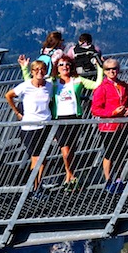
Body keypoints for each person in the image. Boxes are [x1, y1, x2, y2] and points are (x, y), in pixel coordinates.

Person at [51, 55, 102, 187]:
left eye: (67, 64)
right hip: (59, 119)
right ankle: (70, 175)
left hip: (75, 118)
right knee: (65, 150)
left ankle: (70, 176)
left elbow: (97, 85)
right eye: (61, 65)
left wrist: (99, 68)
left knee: (72, 149)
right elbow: (35, 83)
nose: (64, 67)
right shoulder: (52, 82)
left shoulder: (77, 80)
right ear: (57, 67)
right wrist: (25, 69)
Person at [5, 57, 54, 191]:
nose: (40, 72)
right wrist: (17, 112)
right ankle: (35, 186)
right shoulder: (26, 86)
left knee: (43, 158)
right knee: (36, 158)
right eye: (36, 70)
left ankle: (38, 184)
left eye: (42, 69)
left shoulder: (49, 85)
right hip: (30, 127)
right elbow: (8, 95)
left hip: (46, 125)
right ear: (32, 71)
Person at [90, 58, 128, 191]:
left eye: (114, 68)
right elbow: (95, 109)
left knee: (120, 152)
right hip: (108, 127)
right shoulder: (101, 88)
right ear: (104, 71)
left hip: (122, 125)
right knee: (109, 153)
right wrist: (112, 113)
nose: (111, 71)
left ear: (118, 70)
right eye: (108, 69)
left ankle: (119, 178)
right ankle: (108, 180)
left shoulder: (123, 85)